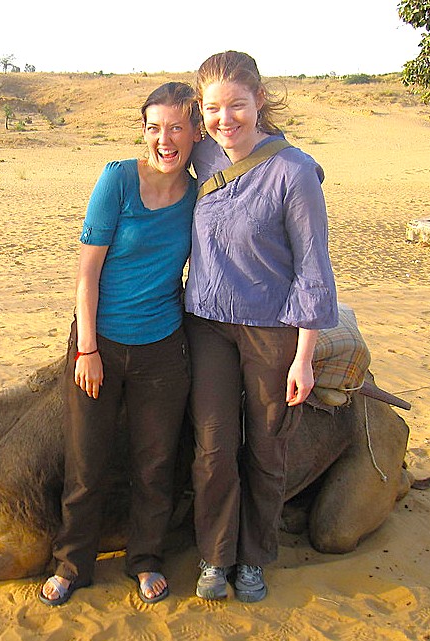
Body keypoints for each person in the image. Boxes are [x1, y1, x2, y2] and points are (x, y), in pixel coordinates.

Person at [39, 82, 202, 606]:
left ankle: (145, 559)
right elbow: (87, 270)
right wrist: (86, 349)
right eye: (155, 127)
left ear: (196, 132)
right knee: (87, 463)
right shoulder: (118, 180)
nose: (165, 139)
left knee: (155, 465)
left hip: (163, 348)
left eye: (177, 126)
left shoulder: (199, 195)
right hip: (100, 342)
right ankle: (72, 563)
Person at [185, 51, 338, 603]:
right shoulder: (202, 154)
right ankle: (215, 556)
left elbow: (313, 267)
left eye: (236, 106)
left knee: (267, 449)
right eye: (212, 109)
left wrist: (304, 354)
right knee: (213, 449)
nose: (224, 120)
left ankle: (254, 559)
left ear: (259, 103)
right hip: (206, 325)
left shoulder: (294, 172)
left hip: (272, 331)